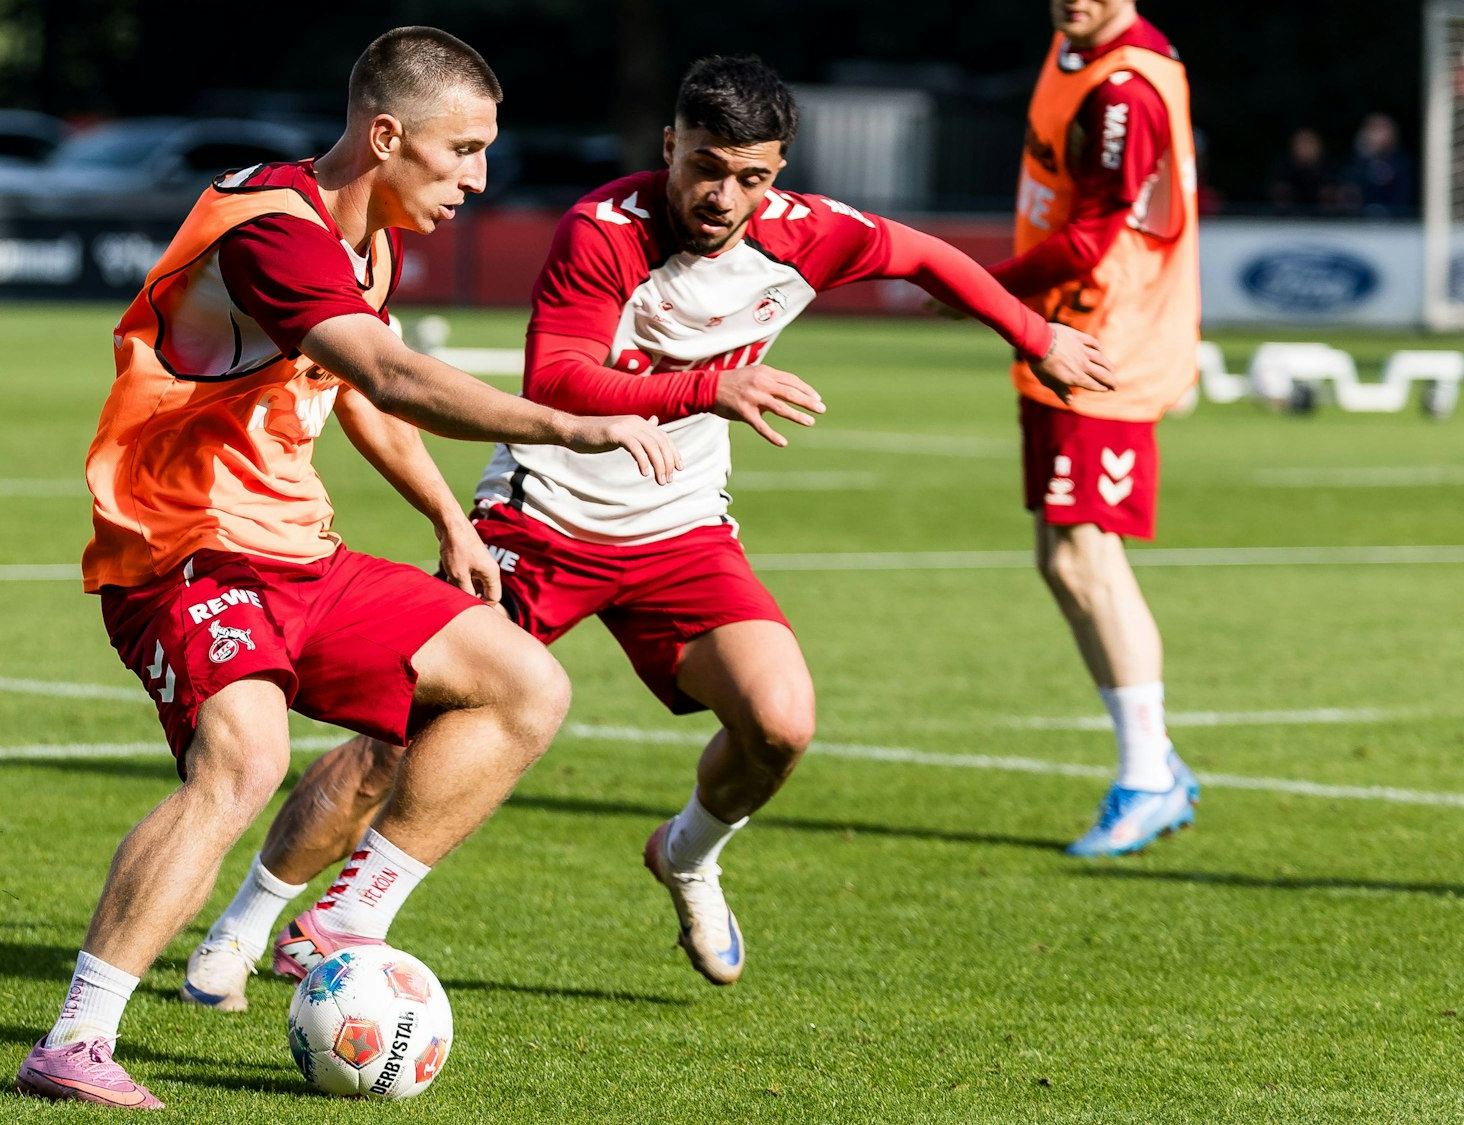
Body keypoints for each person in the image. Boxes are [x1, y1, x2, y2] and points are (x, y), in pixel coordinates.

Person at [176, 55, 1115, 1012]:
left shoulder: (804, 233)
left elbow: (927, 256)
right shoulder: (604, 229)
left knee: (781, 722)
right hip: (541, 521)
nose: (725, 195)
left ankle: (688, 855)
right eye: (707, 166)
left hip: (682, 533)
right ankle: (249, 924)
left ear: (778, 171)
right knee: (396, 736)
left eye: (753, 176)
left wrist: (1035, 337)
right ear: (669, 146)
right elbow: (560, 381)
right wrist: (715, 386)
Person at [12, 27, 680, 1109]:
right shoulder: (274, 232)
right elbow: (387, 370)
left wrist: (447, 524)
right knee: (244, 762)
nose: (475, 177)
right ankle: (77, 1039)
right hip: (179, 552)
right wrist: (562, 424)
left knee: (525, 684)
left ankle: (344, 918)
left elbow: (353, 393)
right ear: (385, 135)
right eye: (459, 150)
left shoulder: (365, 237)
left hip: (294, 554)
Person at [986, 0, 1201, 857]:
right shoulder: (1076, 45)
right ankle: (1153, 766)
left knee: (1084, 554)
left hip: (1102, 347)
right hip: (1064, 337)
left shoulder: (1124, 91)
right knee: (1063, 558)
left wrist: (981, 289)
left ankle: (1150, 773)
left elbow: (1088, 239)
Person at [1341, 112, 1414, 218]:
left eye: (1382, 129)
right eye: (1373, 129)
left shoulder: (1401, 162)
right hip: (1359, 223)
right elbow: (1350, 191)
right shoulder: (1357, 161)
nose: (1377, 135)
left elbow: (1403, 196)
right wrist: (1365, 154)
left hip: (1397, 223)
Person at [1267, 127, 1334, 215]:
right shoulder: (1282, 169)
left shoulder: (1329, 169)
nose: (1306, 148)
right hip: (1285, 222)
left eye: (1309, 143)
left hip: (1325, 224)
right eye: (1302, 143)